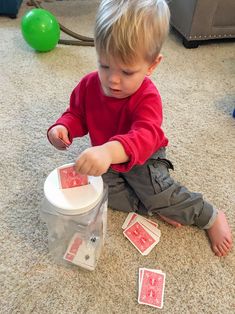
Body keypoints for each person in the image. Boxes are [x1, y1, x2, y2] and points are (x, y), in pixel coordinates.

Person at [47, 0, 232, 256]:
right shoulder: (89, 85)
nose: (112, 79)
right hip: (107, 157)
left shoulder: (147, 96)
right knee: (98, 193)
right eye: (104, 65)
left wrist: (109, 152)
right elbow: (76, 114)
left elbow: (145, 136)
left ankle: (208, 214)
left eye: (126, 71)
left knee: (157, 192)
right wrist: (62, 128)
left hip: (144, 157)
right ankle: (153, 207)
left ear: (152, 65)